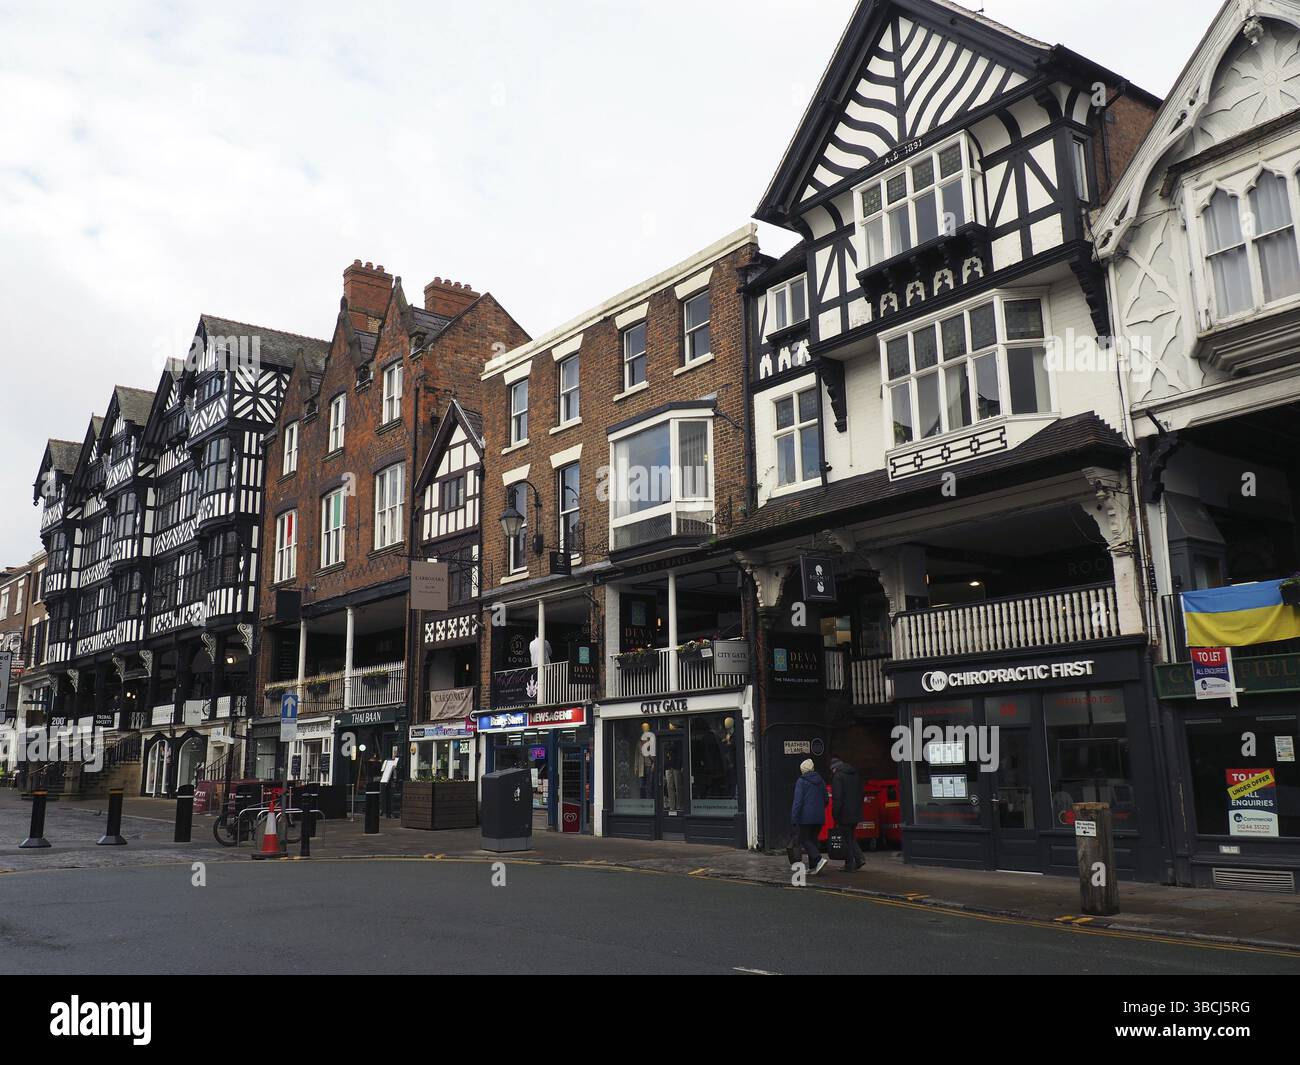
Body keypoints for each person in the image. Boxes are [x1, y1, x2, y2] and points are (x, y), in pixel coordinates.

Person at [791, 758, 828, 875]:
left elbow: (798, 801)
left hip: (805, 817)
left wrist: (794, 818)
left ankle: (818, 859)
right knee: (813, 840)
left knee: (804, 839)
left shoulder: (801, 781)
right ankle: (813, 867)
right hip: (819, 817)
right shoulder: (821, 780)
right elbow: (826, 799)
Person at [831, 757, 865, 872]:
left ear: (835, 768)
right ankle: (859, 859)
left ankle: (850, 864)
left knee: (846, 839)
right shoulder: (855, 775)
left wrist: (835, 814)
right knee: (850, 837)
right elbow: (861, 793)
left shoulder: (838, 777)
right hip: (855, 812)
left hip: (844, 813)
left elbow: (837, 798)